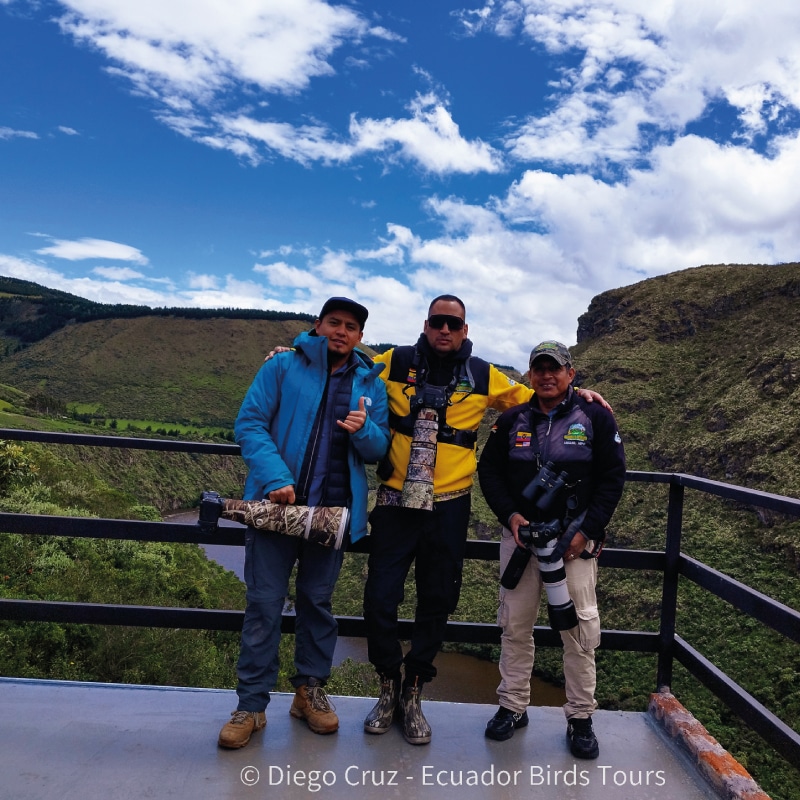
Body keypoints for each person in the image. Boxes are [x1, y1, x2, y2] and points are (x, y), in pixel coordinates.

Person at [361, 298, 608, 745]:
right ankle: (388, 683)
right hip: (395, 502)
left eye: (453, 323)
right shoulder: (394, 362)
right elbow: (348, 370)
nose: (444, 329)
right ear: (426, 324)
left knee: (438, 600)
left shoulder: (480, 373)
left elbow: (535, 397)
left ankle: (413, 690)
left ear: (464, 329)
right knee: (379, 598)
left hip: (449, 506)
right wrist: (296, 354)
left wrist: (582, 397)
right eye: (438, 321)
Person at [217, 297, 390, 749]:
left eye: (350, 326)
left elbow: (379, 450)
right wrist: (276, 477)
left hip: (330, 518)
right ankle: (251, 705)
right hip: (275, 510)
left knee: (317, 604)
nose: (341, 331)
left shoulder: (370, 383)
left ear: (360, 336)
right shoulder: (282, 366)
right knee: (263, 605)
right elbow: (249, 424)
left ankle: (308, 692)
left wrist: (365, 430)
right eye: (334, 322)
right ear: (318, 325)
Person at [477, 340, 625, 759]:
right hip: (522, 539)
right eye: (539, 368)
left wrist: (586, 531)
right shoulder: (512, 421)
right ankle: (512, 705)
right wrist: (510, 516)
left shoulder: (594, 416)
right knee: (515, 625)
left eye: (554, 368)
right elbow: (489, 472)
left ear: (570, 374)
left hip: (573, 542)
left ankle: (580, 717)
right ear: (530, 375)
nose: (546, 375)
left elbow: (613, 477)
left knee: (578, 631)